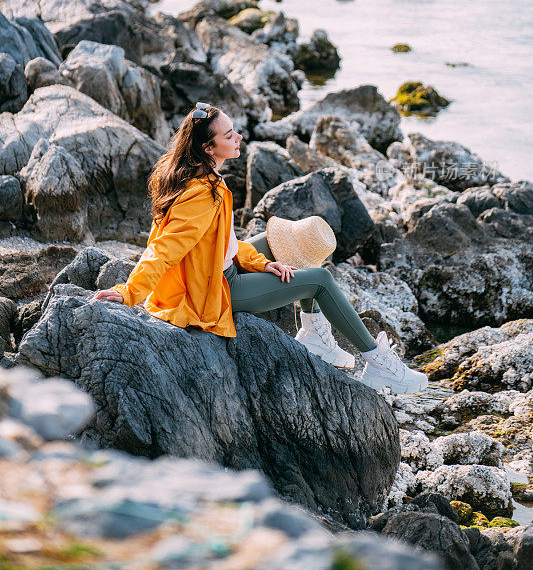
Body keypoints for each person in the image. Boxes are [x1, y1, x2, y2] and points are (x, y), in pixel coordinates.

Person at [90, 102, 428, 395]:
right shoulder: (202, 192)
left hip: (218, 266)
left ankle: (314, 334)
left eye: (234, 131)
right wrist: (128, 292)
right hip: (214, 288)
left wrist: (262, 263)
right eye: (228, 135)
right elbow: (164, 249)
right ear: (209, 147)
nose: (237, 138)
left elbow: (225, 243)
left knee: (291, 242)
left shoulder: (204, 178)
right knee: (321, 280)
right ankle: (379, 362)